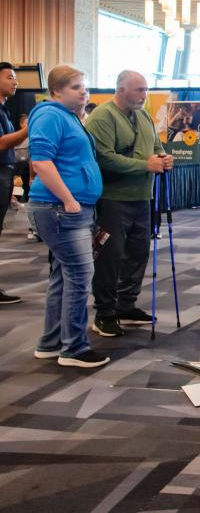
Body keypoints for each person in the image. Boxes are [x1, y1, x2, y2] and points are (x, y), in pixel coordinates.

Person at [28, 65, 109, 368]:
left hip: (65, 208)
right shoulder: (50, 115)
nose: (83, 92)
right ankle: (73, 348)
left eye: (84, 86)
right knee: (79, 276)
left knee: (63, 277)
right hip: (60, 209)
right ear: (56, 91)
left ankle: (50, 343)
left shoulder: (68, 117)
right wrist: (69, 199)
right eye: (76, 87)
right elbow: (41, 161)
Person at [86, 71, 172, 337]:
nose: (144, 96)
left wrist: (163, 158)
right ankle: (105, 312)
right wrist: (146, 164)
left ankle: (126, 304)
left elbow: (156, 147)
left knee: (138, 253)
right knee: (110, 256)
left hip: (142, 197)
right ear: (121, 89)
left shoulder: (144, 115)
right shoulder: (102, 116)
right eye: (138, 90)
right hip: (112, 198)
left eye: (145, 90)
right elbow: (104, 158)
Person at [0, 62, 29, 303]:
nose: (15, 81)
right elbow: (1, 143)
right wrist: (27, 130)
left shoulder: (4, 109)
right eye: (10, 76)